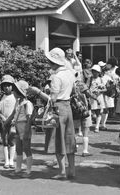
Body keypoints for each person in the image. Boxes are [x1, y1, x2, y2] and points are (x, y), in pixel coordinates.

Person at [45, 47, 76, 180]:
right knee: (69, 138)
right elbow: (74, 90)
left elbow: (52, 99)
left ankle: (62, 171)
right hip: (68, 106)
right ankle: (72, 170)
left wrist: (40, 93)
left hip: (58, 107)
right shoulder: (70, 73)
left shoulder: (56, 77)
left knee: (59, 139)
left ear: (53, 62)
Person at [9, 80, 33, 178]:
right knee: (18, 148)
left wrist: (27, 131)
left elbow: (29, 119)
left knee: (26, 148)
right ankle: (18, 168)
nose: (13, 92)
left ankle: (28, 170)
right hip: (18, 127)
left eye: (15, 90)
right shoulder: (18, 102)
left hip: (24, 127)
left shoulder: (27, 104)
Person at [73, 72, 94, 157]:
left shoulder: (71, 85)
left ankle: (73, 149)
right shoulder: (81, 84)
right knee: (85, 130)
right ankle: (85, 151)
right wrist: (96, 98)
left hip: (75, 110)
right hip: (85, 109)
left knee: (74, 131)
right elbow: (89, 94)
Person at [0, 75, 17, 169]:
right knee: (5, 141)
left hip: (13, 122)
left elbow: (18, 109)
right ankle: (6, 161)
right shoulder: (1, 97)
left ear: (12, 86)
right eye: (5, 85)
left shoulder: (15, 97)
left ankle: (11, 161)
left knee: (12, 141)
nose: (7, 87)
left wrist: (14, 119)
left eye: (9, 85)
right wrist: (2, 117)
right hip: (3, 122)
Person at [89, 64, 107, 133]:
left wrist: (99, 91)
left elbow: (105, 89)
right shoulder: (90, 79)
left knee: (98, 112)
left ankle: (97, 127)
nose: (94, 73)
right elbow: (87, 87)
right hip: (91, 97)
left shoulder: (101, 79)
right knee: (91, 111)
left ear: (99, 72)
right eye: (93, 71)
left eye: (96, 71)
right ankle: (90, 124)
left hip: (99, 97)